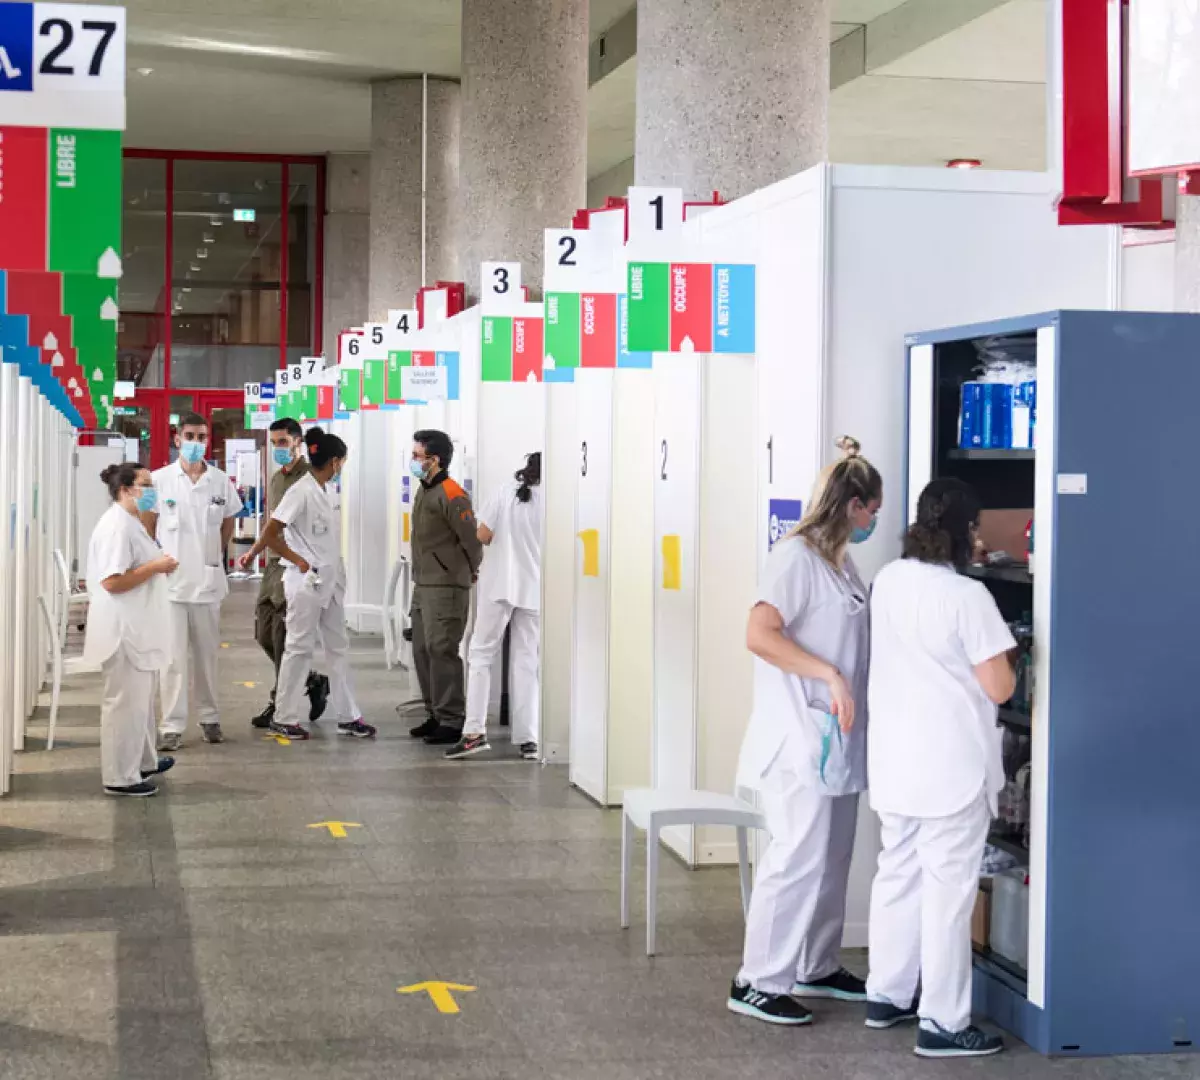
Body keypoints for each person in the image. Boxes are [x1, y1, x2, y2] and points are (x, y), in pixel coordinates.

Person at [728, 437, 882, 1027]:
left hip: (836, 736)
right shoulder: (794, 558)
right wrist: (828, 675)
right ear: (854, 505)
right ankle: (757, 980)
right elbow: (759, 634)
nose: (873, 522)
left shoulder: (840, 561)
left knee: (832, 856)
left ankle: (817, 965)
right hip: (799, 736)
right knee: (796, 856)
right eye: (872, 510)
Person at [864, 478, 1015, 1058]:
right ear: (967, 531)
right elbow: (999, 687)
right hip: (950, 766)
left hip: (894, 762)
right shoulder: (967, 597)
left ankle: (888, 994)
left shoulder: (890, 579)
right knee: (949, 895)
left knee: (897, 874)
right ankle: (944, 1022)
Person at [260, 426, 374, 741]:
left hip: (330, 581)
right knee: (298, 648)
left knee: (338, 648)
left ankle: (348, 716)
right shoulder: (301, 491)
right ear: (335, 462)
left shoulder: (324, 490)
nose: (342, 468)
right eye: (343, 462)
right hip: (306, 582)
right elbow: (271, 533)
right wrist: (297, 559)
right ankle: (284, 717)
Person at [145, 414, 243, 750]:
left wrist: (213, 553)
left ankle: (210, 719)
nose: (195, 442)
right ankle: (171, 725)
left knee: (207, 657)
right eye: (189, 436)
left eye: (201, 437)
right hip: (171, 585)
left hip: (207, 583)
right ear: (177, 439)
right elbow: (148, 524)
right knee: (172, 660)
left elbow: (227, 522)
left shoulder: (220, 481)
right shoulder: (159, 480)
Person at [83, 464, 179, 796]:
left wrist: (157, 565)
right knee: (125, 705)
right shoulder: (117, 527)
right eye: (145, 484)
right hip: (123, 631)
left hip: (138, 627)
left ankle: (143, 761)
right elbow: (112, 581)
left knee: (141, 703)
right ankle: (120, 777)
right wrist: (156, 566)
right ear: (125, 489)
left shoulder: (131, 521)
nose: (152, 490)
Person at [446, 452, 544, 762]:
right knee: (527, 660)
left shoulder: (504, 492)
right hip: (535, 589)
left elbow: (483, 535)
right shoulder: (553, 500)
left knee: (481, 654)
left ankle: (474, 732)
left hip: (499, 586)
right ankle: (529, 739)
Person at [238, 417, 330, 729]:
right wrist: (254, 552)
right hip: (274, 563)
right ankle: (311, 679)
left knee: (282, 636)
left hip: (296, 564)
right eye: (274, 442)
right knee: (263, 633)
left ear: (297, 443)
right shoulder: (277, 478)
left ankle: (280, 703)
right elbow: (272, 523)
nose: (278, 447)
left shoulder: (310, 478)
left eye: (283, 442)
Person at [406, 429, 483, 746]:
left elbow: (472, 541)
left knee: (442, 650)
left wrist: (469, 570)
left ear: (434, 460)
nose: (413, 461)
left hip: (446, 585)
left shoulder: (452, 494)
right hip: (423, 582)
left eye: (417, 456)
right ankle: (435, 713)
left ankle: (451, 718)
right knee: (422, 649)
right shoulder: (425, 490)